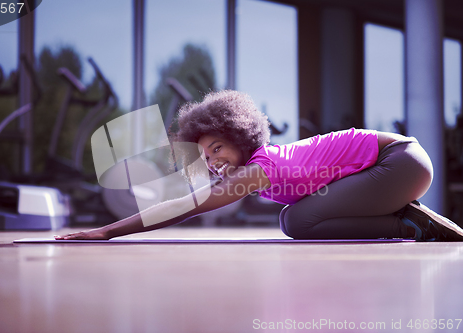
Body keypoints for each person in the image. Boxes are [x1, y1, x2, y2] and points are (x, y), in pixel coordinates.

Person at [55, 90, 463, 242]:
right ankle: (402, 217)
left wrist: (108, 231)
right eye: (205, 155)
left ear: (240, 138)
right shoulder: (254, 169)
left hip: (400, 162)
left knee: (298, 221)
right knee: (293, 218)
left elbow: (188, 205)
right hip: (387, 168)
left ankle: (409, 225)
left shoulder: (259, 167)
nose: (212, 161)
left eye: (217, 148)